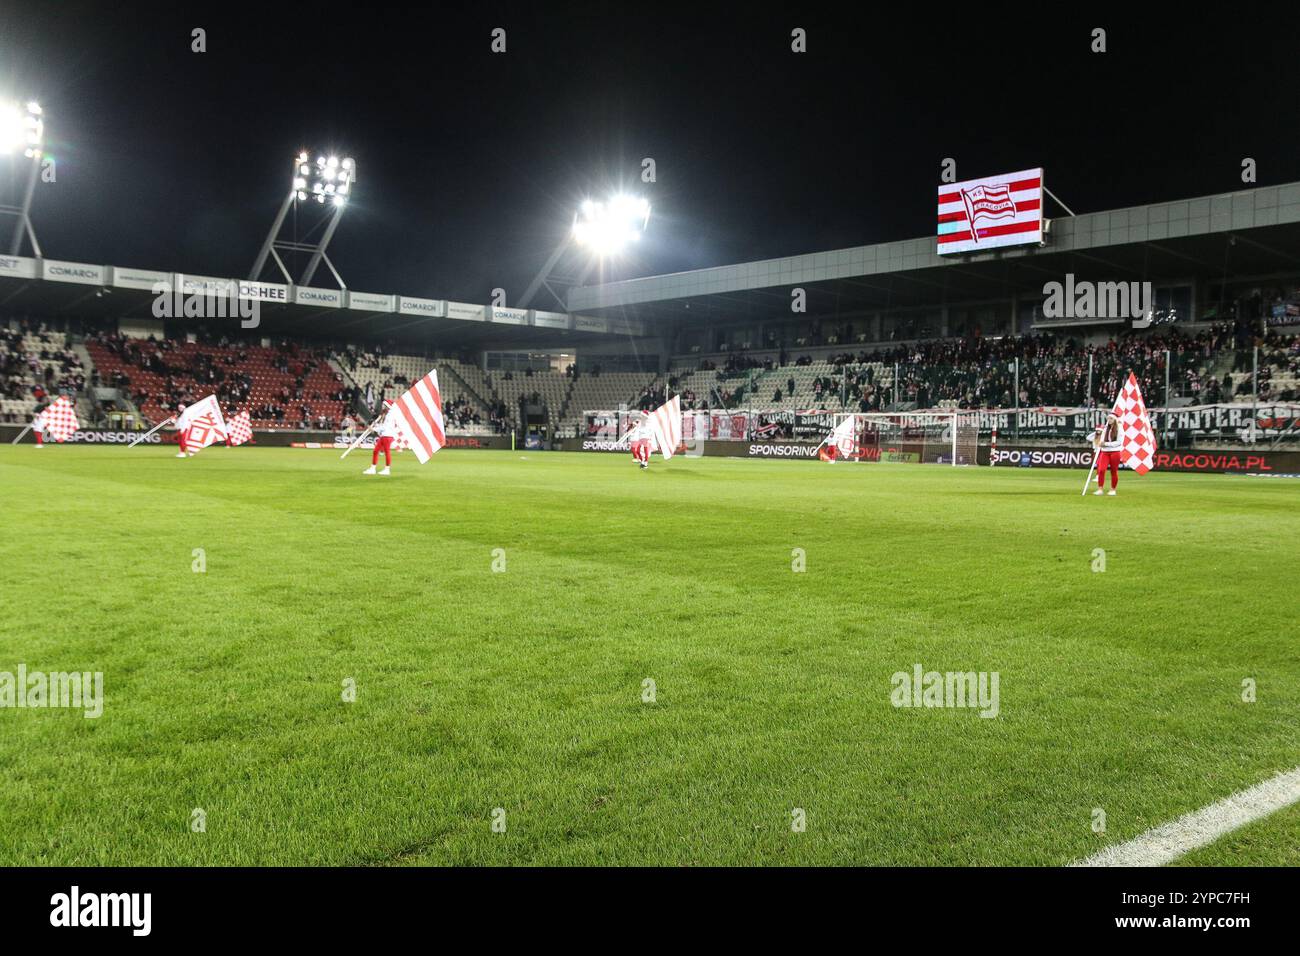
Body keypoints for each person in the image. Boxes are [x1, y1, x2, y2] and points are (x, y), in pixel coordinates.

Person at [363, 400, 398, 476]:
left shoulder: (390, 415)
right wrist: (376, 426)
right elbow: (383, 426)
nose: (383, 407)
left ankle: (387, 469)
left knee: (386, 452)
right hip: (384, 435)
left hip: (387, 435)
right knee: (376, 451)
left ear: (388, 406)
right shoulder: (388, 414)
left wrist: (374, 429)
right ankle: (373, 468)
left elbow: (384, 427)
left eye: (385, 405)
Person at [1092, 413, 1123, 496]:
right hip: (1104, 452)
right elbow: (1101, 439)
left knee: (1113, 471)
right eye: (1108, 418)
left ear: (1115, 420)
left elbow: (1119, 442)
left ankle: (1113, 489)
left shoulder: (1119, 429)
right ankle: (1100, 489)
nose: (1109, 420)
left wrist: (1106, 444)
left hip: (1115, 452)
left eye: (1111, 419)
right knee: (1101, 470)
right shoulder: (1105, 429)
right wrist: (1100, 443)